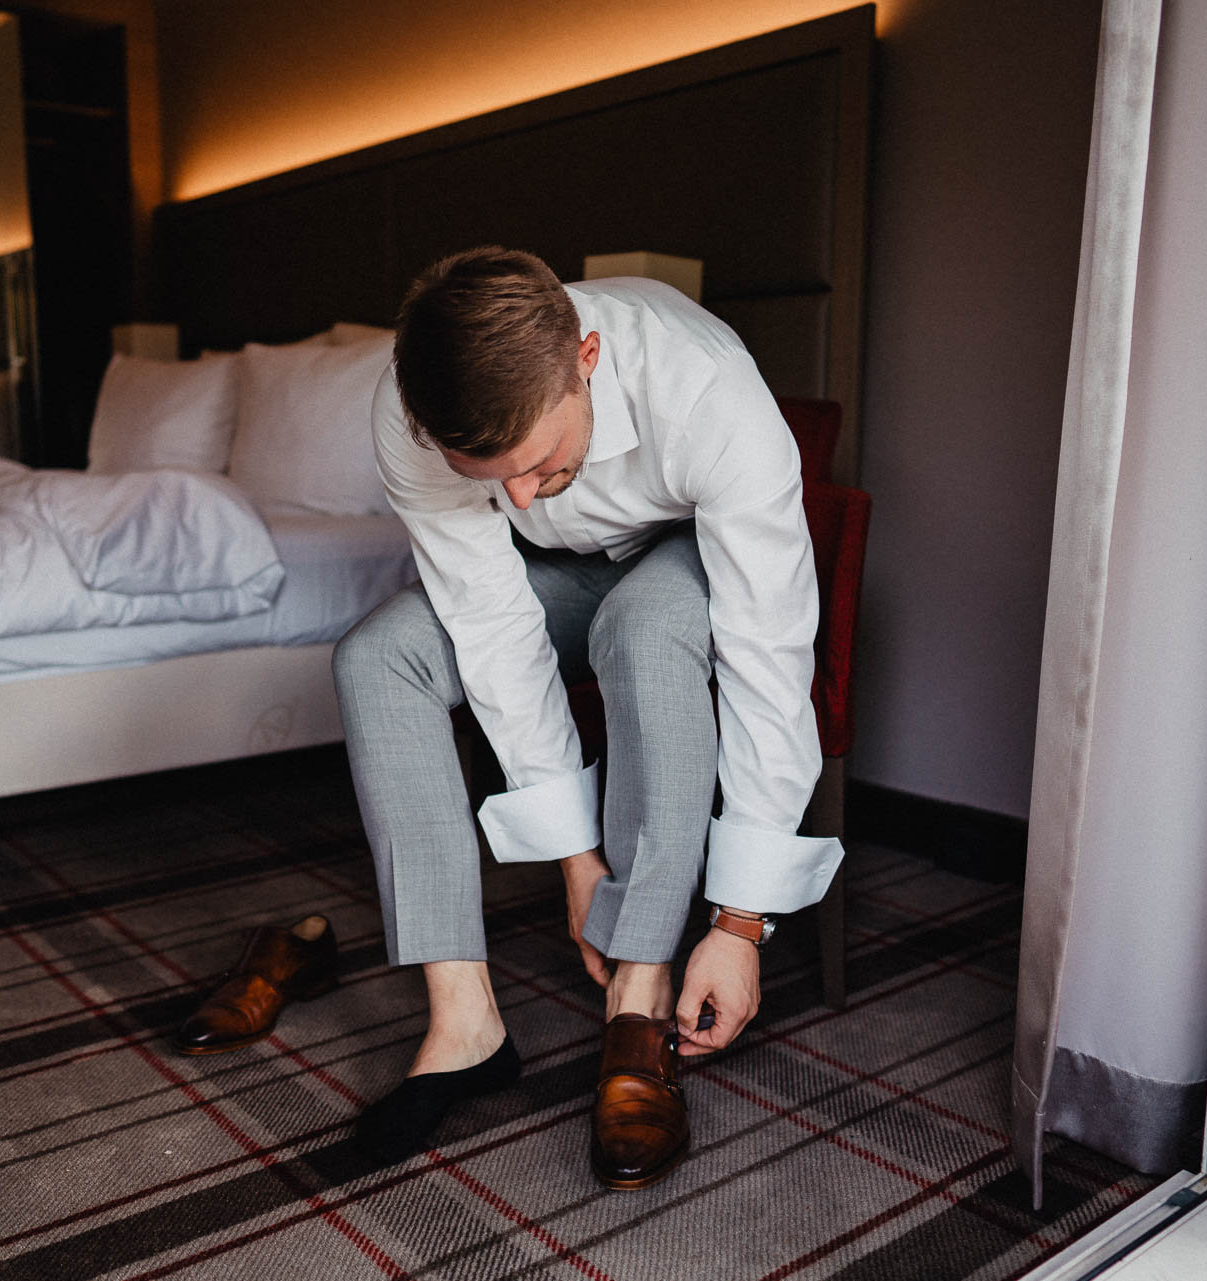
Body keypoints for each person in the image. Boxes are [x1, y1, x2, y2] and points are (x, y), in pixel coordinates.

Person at [331, 246, 843, 1190]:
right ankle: (464, 1021)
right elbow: (491, 623)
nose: (517, 493)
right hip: (543, 575)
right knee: (377, 657)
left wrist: (739, 924)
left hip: (677, 553)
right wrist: (575, 856)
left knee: (643, 628)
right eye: (491, 477)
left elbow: (772, 656)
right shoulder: (412, 411)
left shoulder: (707, 389)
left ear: (588, 360)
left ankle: (638, 997)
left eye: (534, 462)